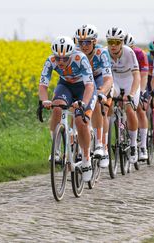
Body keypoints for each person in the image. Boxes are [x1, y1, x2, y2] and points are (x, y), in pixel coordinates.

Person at [39, 36, 96, 182]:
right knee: (56, 106)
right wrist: (44, 100)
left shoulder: (80, 58)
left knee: (80, 121)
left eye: (65, 59)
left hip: (84, 88)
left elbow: (90, 85)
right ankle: (56, 150)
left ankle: (86, 159)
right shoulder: (50, 60)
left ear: (71, 55)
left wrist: (83, 103)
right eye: (58, 58)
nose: (61, 62)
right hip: (65, 86)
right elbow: (43, 86)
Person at [75, 24, 113, 168]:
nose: (84, 46)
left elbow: (108, 79)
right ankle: (75, 141)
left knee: (98, 102)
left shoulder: (102, 52)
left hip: (99, 79)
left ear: (94, 42)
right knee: (76, 104)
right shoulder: (75, 53)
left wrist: (102, 91)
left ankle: (100, 144)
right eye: (81, 42)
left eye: (87, 42)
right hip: (83, 81)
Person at [106, 27, 141, 164]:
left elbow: (137, 75)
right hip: (114, 81)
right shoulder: (105, 52)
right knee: (107, 103)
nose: (113, 45)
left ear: (122, 43)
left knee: (129, 108)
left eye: (116, 42)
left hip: (129, 81)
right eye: (110, 42)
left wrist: (131, 94)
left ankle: (133, 145)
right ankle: (106, 141)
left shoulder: (129, 52)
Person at [124, 33, 150, 161]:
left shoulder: (140, 54)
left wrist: (142, 91)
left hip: (136, 80)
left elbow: (144, 75)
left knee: (139, 108)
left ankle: (143, 146)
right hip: (122, 80)